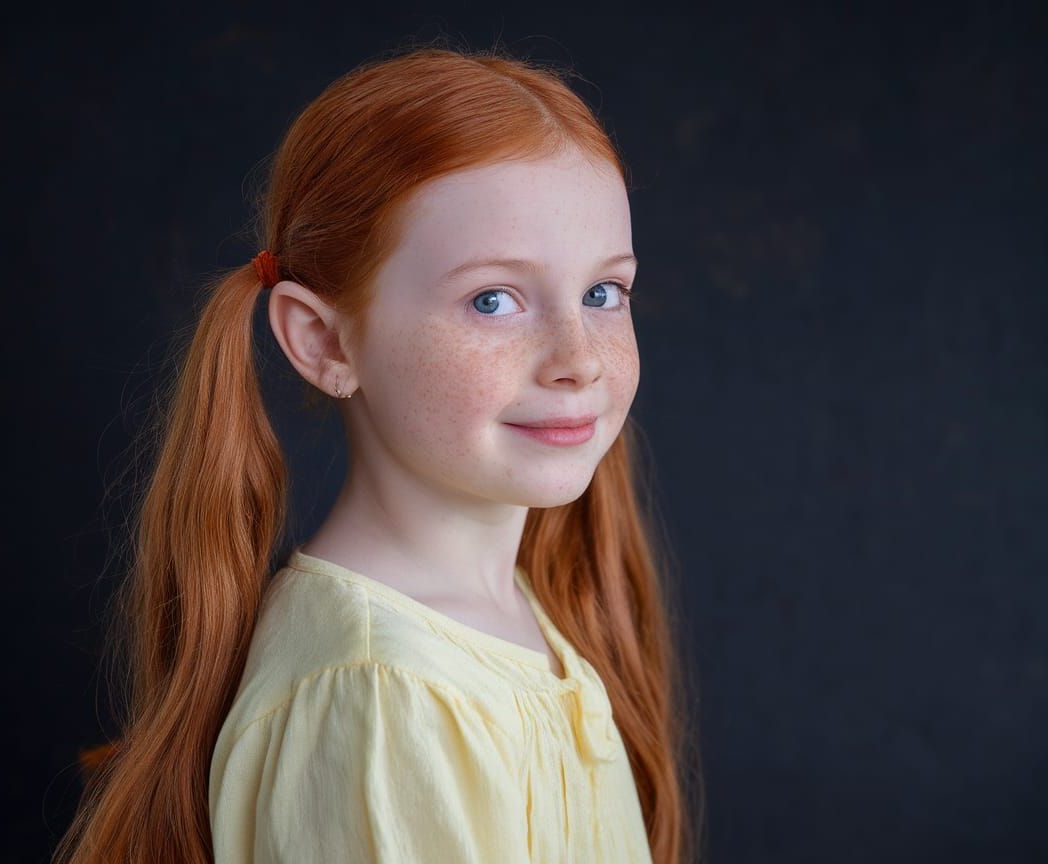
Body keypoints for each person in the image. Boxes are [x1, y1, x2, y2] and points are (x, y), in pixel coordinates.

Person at [54, 41, 702, 864]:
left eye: (603, 292)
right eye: (493, 300)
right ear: (324, 341)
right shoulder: (378, 693)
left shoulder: (515, 618)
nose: (579, 359)